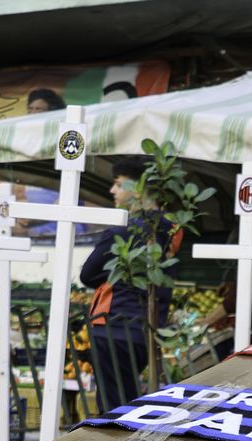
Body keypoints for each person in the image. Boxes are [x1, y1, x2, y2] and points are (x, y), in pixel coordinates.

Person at [79, 156, 184, 411]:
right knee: (128, 401)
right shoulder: (174, 228)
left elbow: (88, 275)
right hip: (147, 327)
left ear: (138, 187)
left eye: (118, 183)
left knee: (114, 408)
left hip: (113, 324)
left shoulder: (121, 231)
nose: (112, 190)